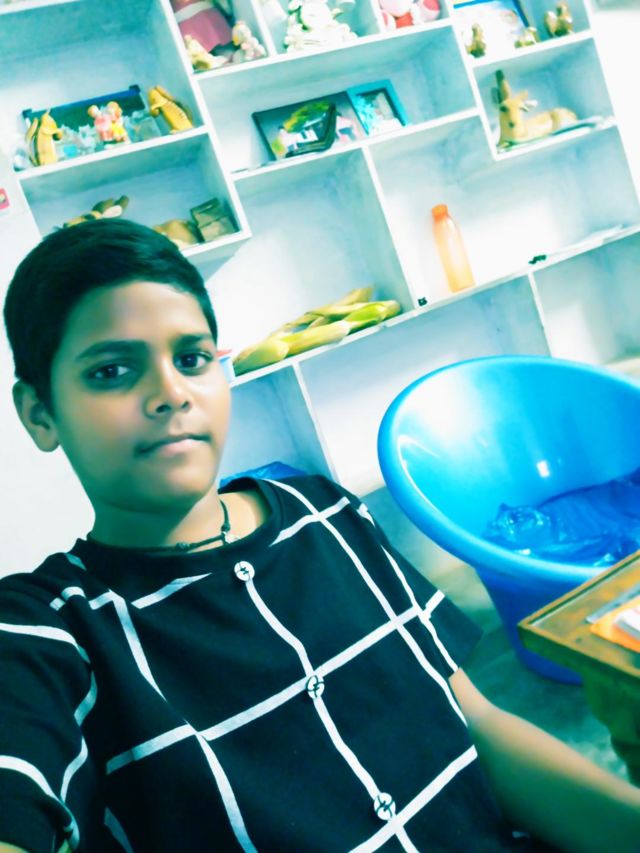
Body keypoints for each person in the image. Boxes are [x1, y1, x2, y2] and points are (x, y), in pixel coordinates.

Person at [1, 219, 639, 853]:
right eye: (111, 370)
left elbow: (476, 725)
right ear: (39, 413)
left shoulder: (326, 512)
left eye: (191, 359)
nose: (171, 393)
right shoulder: (45, 632)